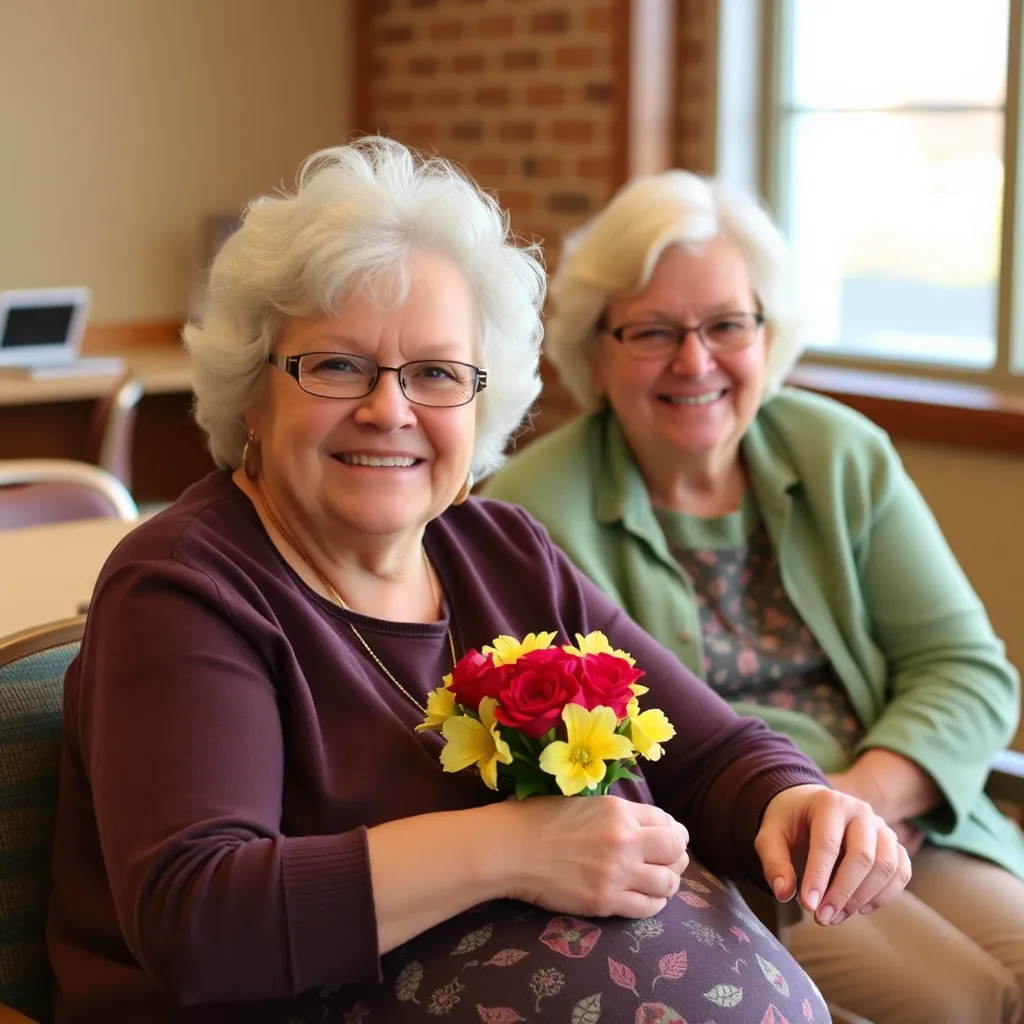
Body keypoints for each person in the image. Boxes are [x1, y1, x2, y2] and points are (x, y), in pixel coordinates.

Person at [47, 139, 910, 1024]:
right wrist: (515, 848)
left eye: (435, 373)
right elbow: (200, 918)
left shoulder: (501, 550)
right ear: (252, 397)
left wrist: (797, 800)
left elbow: (708, 752)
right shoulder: (184, 589)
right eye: (337, 365)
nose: (389, 409)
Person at [482, 168, 1024, 1024]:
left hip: (905, 803)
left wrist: (862, 799)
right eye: (653, 331)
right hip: (738, 848)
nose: (695, 361)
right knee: (963, 1006)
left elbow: (966, 668)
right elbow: (585, 766)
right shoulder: (532, 511)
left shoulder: (840, 453)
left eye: (727, 324)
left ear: (769, 336)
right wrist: (807, 815)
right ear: (596, 352)